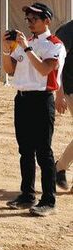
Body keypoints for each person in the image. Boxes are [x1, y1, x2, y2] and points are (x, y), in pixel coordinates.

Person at [1, 2, 66, 217]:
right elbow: (10, 69)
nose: (29, 22)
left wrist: (26, 48)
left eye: (34, 19)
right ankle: (27, 194)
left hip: (41, 100)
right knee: (25, 150)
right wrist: (5, 48)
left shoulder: (54, 44)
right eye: (28, 19)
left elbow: (44, 69)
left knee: (44, 152)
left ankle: (49, 199)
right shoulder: (25, 42)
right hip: (22, 99)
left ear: (47, 20)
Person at [54, 19, 73, 192]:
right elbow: (56, 63)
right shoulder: (69, 30)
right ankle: (59, 167)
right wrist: (59, 93)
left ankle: (59, 167)